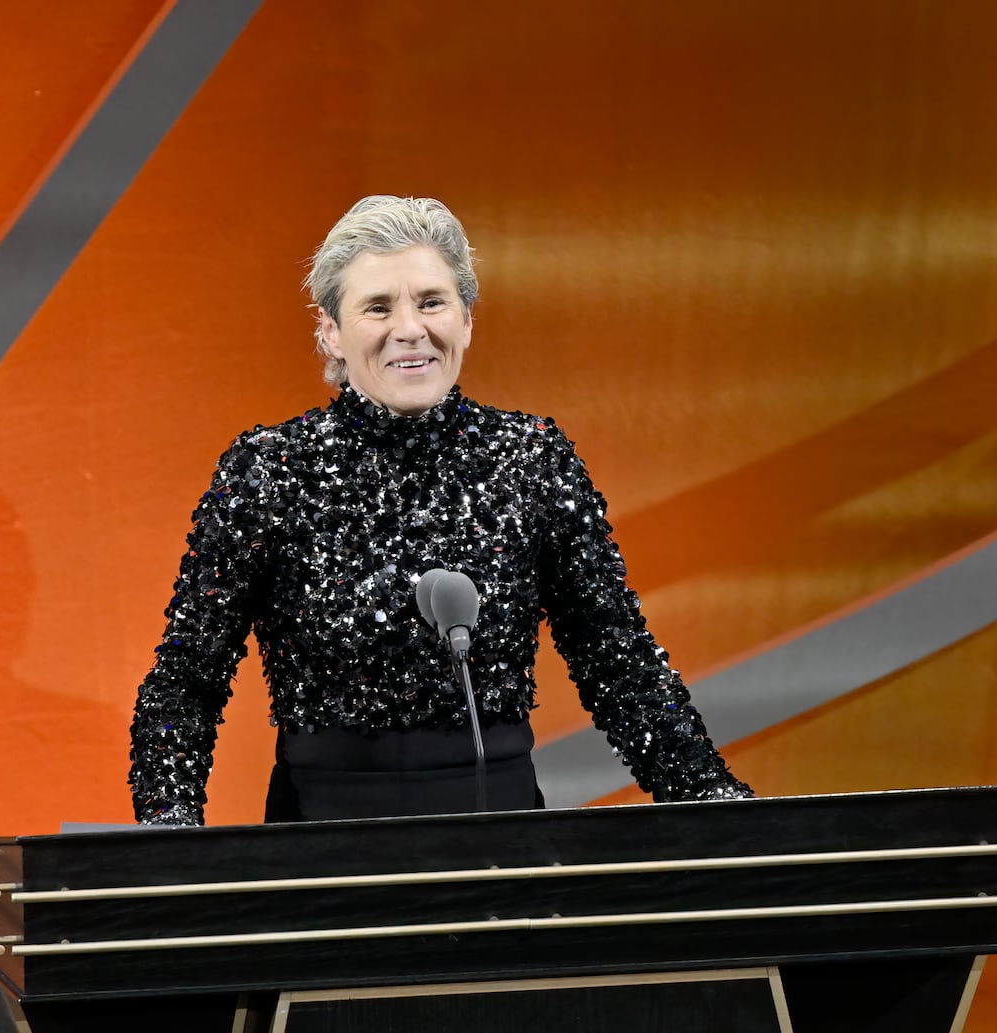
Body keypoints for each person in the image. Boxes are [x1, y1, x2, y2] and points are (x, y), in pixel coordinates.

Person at [129, 195, 751, 826]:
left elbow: (620, 664)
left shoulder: (531, 459)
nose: (410, 329)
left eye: (432, 302)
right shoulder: (270, 470)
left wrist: (722, 809)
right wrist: (168, 838)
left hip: (501, 846)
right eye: (378, 307)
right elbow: (185, 680)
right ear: (330, 331)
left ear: (467, 319)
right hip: (322, 850)